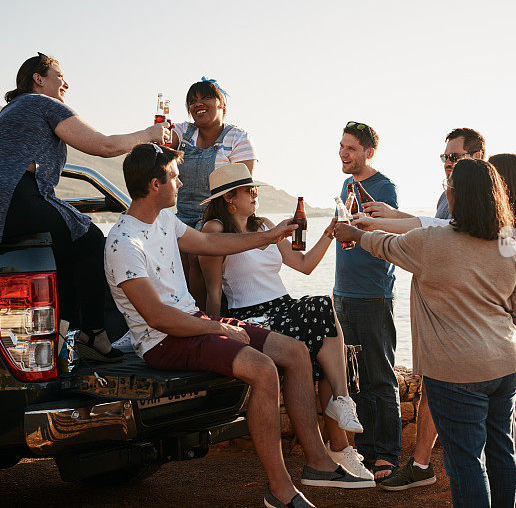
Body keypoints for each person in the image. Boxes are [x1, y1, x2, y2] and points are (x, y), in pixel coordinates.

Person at [104, 144, 374, 508]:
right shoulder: (123, 241)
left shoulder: (165, 221)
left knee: (294, 352)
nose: (181, 183)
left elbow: (211, 243)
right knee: (263, 370)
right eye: (173, 176)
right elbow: (157, 317)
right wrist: (217, 328)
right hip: (164, 340)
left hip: (192, 323)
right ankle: (280, 490)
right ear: (154, 184)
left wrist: (271, 235)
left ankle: (319, 463)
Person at [0, 52, 170, 363]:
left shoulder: (9, 113)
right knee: (89, 239)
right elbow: (104, 146)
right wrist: (149, 135)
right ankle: (92, 334)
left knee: (59, 250)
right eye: (59, 76)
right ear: (39, 79)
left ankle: (60, 338)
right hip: (11, 199)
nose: (66, 82)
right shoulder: (42, 104)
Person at [335, 158, 516, 507]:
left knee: (466, 460)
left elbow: (382, 245)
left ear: (456, 195)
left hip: (456, 370)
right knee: (500, 449)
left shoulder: (432, 241)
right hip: (506, 364)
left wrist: (355, 232)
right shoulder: (509, 245)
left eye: (449, 187)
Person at [198, 163, 372, 480]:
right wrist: (213, 335)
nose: (255, 194)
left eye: (255, 189)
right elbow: (212, 291)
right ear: (229, 198)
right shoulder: (214, 231)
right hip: (251, 316)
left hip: (283, 307)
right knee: (320, 329)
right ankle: (338, 442)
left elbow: (303, 265)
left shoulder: (265, 224)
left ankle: (342, 415)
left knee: (321, 312)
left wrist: (327, 233)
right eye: (249, 190)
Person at [333, 121, 401, 482]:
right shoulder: (346, 186)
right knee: (353, 380)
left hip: (373, 295)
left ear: (368, 152)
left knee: (380, 378)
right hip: (342, 293)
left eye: (351, 148)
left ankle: (387, 454)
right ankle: (365, 451)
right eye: (342, 147)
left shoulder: (383, 186)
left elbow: (389, 235)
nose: (343, 153)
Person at [170, 77, 257, 309]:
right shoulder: (182, 132)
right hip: (183, 214)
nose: (198, 103)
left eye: (206, 97)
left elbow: (242, 186)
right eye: (192, 100)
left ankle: (197, 317)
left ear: (222, 105)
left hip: (218, 214)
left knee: (193, 252)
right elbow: (162, 141)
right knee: (164, 252)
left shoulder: (236, 138)